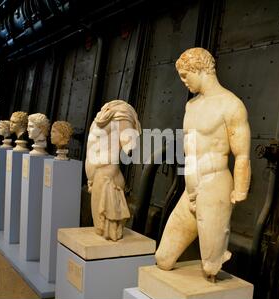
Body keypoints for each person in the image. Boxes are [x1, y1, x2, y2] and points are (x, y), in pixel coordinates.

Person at [155, 47, 251, 282]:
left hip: (214, 185)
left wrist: (240, 188)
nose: (183, 82)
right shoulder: (192, 105)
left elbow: (242, 154)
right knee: (163, 258)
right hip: (190, 189)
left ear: (200, 69)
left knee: (210, 267)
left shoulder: (231, 105)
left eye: (185, 76)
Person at [85, 100, 141, 241]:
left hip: (108, 177)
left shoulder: (121, 116)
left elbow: (130, 147)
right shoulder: (103, 117)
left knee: (107, 230)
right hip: (99, 177)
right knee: (101, 229)